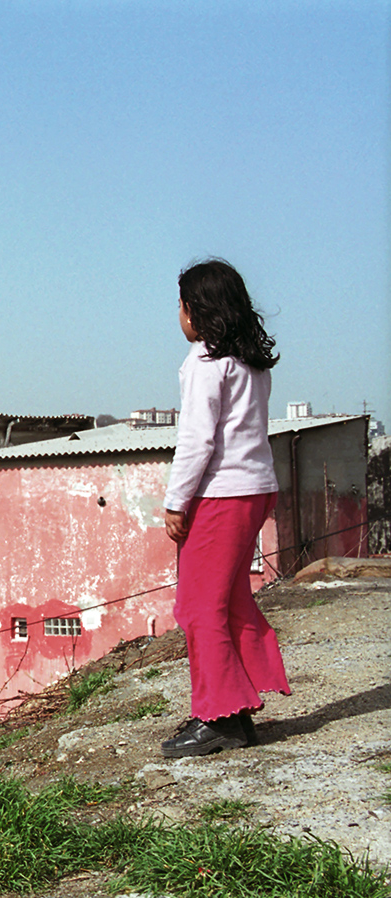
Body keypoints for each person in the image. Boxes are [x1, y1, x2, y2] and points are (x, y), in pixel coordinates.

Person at [161, 258, 290, 758]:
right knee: (229, 600)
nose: (178, 314)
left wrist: (176, 501)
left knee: (197, 607)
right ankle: (233, 706)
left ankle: (220, 718)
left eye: (180, 304)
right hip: (256, 489)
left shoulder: (205, 362)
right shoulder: (249, 361)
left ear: (196, 310)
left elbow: (196, 440)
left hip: (221, 494)